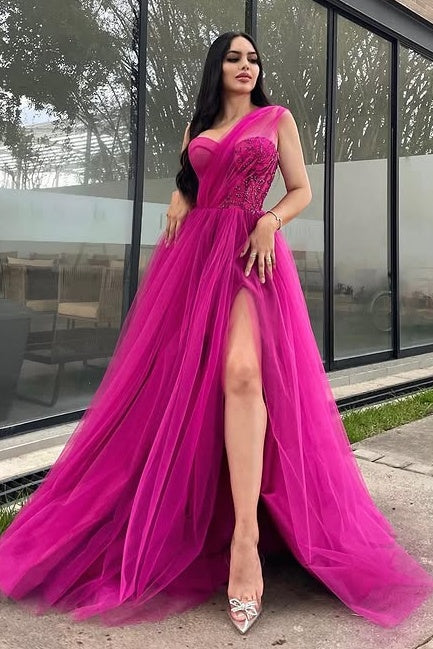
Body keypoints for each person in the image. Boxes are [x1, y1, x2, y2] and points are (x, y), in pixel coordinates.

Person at [0, 30, 432, 636]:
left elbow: (301, 189)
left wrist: (270, 222)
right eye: (234, 58)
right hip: (195, 261)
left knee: (244, 374)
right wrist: (181, 196)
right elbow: (192, 179)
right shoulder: (197, 127)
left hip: (251, 254)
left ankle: (245, 540)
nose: (246, 66)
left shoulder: (277, 119)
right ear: (217, 68)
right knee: (183, 387)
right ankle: (193, 515)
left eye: (254, 58)